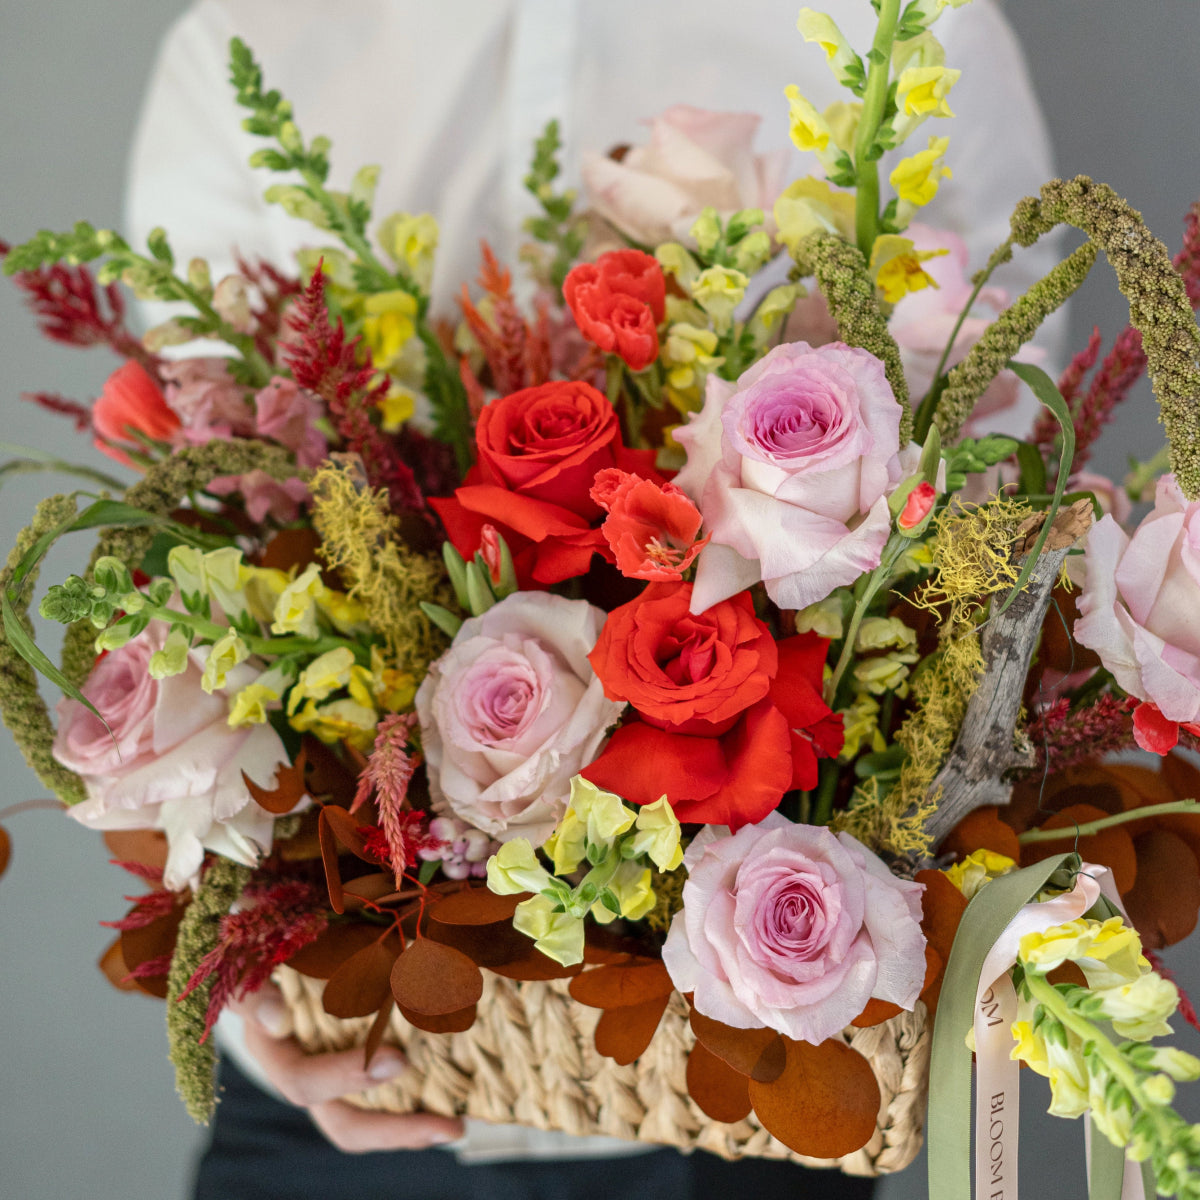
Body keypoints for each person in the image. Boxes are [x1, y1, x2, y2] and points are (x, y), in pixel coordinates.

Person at [124, 2, 1061, 1194]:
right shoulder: (250, 41)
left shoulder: (923, 27)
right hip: (350, 1100)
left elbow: (992, 526)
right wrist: (253, 981)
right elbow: (201, 549)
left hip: (760, 1104)